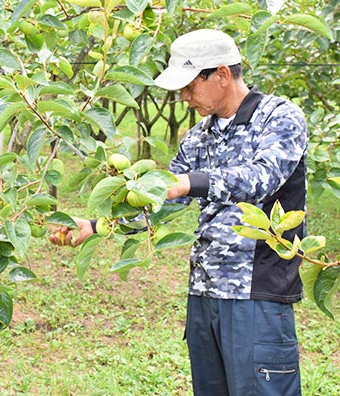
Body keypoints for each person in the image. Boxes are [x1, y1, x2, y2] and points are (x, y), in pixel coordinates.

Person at [50, 29, 307, 396]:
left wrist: (189, 181)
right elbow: (164, 201)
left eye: (189, 85)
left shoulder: (279, 117)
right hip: (204, 293)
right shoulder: (199, 136)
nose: (184, 97)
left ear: (220, 74)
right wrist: (95, 226)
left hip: (257, 293)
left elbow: (260, 178)